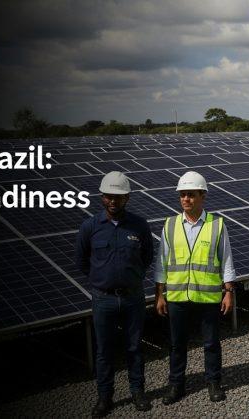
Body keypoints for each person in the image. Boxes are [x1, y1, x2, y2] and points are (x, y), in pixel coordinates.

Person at [75, 171, 154, 418]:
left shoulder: (139, 225)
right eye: (109, 196)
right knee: (104, 350)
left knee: (134, 347)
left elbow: (147, 257)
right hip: (103, 298)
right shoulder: (90, 227)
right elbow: (82, 261)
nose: (113, 201)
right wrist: (103, 280)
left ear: (127, 198)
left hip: (132, 296)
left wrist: (130, 278)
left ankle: (137, 391)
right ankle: (104, 397)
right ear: (102, 197)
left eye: (118, 197)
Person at [154, 171, 237, 405]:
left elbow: (227, 260)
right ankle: (176, 385)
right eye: (182, 195)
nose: (186, 199)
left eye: (191, 194)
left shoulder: (217, 225)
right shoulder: (170, 225)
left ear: (203, 196)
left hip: (208, 296)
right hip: (177, 296)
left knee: (211, 343)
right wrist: (159, 294)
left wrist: (229, 292)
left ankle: (214, 382)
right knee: (177, 343)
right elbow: (162, 262)